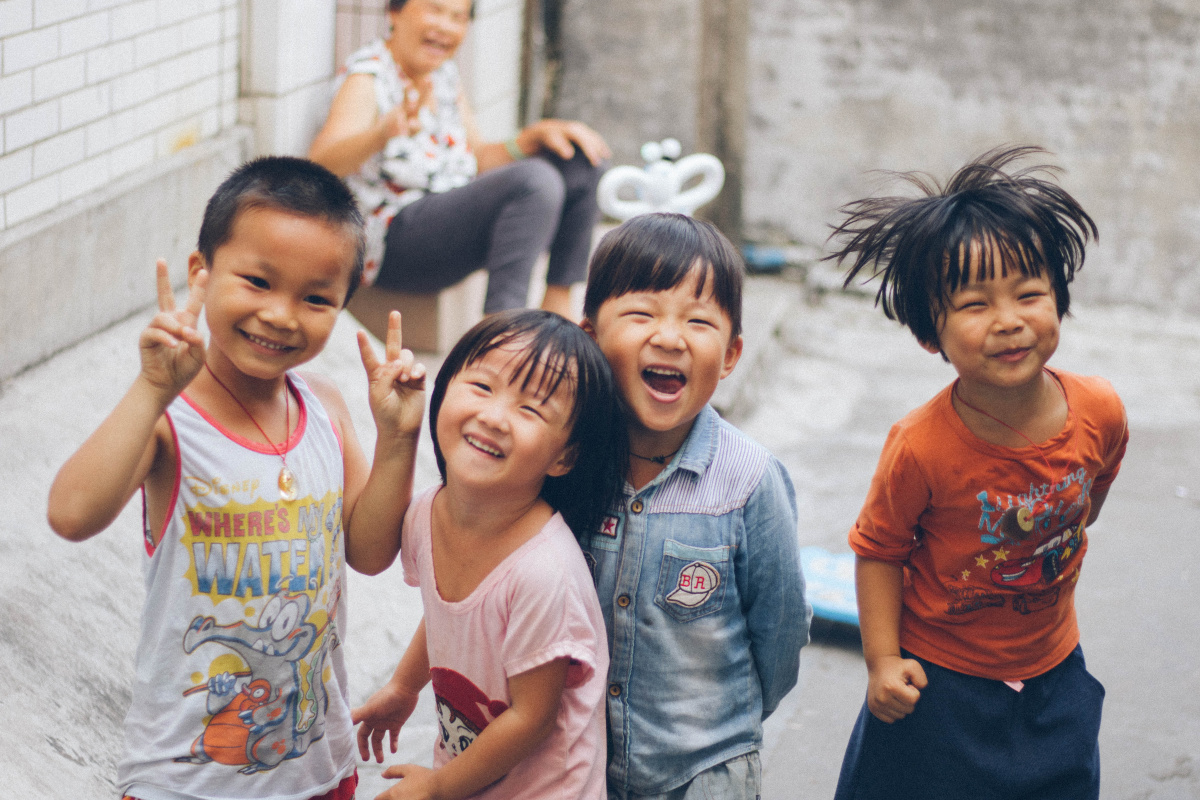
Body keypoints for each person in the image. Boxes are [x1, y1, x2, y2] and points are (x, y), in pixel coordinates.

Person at [47, 156, 428, 800]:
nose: (281, 315)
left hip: (315, 767)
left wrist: (398, 437)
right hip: (187, 779)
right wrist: (151, 389)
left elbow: (367, 553)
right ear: (202, 271)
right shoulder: (169, 420)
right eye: (257, 281)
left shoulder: (326, 407)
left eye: (315, 298)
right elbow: (71, 514)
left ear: (344, 305)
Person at [825, 145, 1129, 799]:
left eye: (1029, 294)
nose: (1009, 321)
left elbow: (1092, 491)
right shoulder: (920, 447)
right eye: (974, 304)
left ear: (1060, 300)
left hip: (1053, 667)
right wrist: (883, 662)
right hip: (938, 678)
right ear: (928, 333)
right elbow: (878, 551)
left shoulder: (1099, 409)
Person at [578, 213, 811, 799]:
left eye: (698, 321)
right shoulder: (565, 465)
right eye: (642, 313)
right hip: (577, 769)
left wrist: (725, 735)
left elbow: (780, 633)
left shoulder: (749, 482)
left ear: (731, 355)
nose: (670, 337)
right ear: (589, 335)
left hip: (704, 775)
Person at [353, 309, 625, 799]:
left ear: (564, 456)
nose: (494, 417)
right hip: (471, 772)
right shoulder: (427, 513)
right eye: (481, 387)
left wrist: (436, 789)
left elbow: (531, 719)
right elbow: (450, 617)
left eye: (531, 410)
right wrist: (403, 687)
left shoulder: (543, 572)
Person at [308, 0, 611, 319]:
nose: (446, 26)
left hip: (447, 219)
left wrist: (530, 138)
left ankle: (558, 311)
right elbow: (321, 164)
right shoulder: (368, 77)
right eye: (434, 10)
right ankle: (501, 328)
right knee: (535, 181)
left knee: (580, 162)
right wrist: (382, 132)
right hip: (392, 244)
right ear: (394, 12)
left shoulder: (443, 73)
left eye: (458, 17)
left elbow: (476, 159)